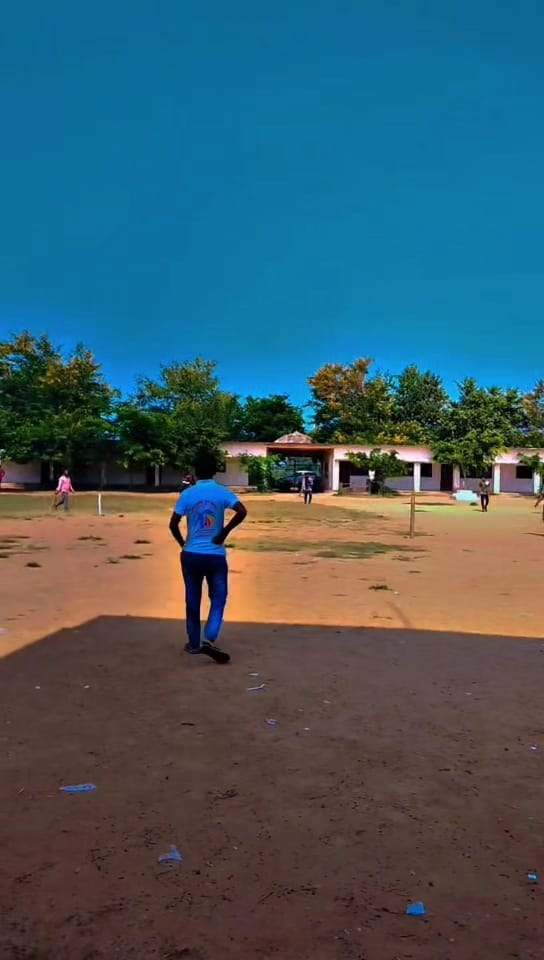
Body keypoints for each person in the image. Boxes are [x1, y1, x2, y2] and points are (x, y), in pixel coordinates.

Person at [169, 450, 247, 664]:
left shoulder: (188, 494)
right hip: (215, 555)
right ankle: (209, 638)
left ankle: (194, 643)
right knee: (219, 598)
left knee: (192, 598)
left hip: (191, 555)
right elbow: (242, 511)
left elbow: (173, 524)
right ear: (215, 471)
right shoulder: (222, 492)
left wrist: (183, 544)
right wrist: (223, 533)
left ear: (195, 471)